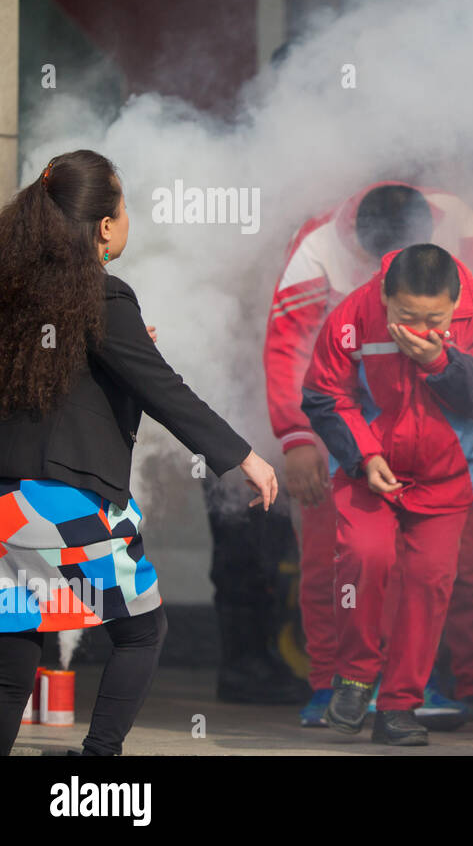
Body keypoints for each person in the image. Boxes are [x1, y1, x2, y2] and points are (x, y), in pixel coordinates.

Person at [0, 149, 278, 757]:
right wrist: (242, 456)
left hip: (6, 502)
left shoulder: (14, 290)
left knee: (16, 639)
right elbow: (164, 391)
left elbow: (53, 378)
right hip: (65, 500)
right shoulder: (104, 296)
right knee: (141, 630)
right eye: (124, 208)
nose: (129, 220)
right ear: (104, 226)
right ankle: (99, 766)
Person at [264, 181, 473, 723]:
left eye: (434, 320)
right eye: (404, 314)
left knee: (437, 581)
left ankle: (427, 695)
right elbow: (293, 355)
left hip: (448, 470)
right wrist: (299, 438)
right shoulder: (328, 261)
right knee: (350, 562)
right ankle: (336, 683)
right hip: (359, 458)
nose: (418, 330)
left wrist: (442, 365)